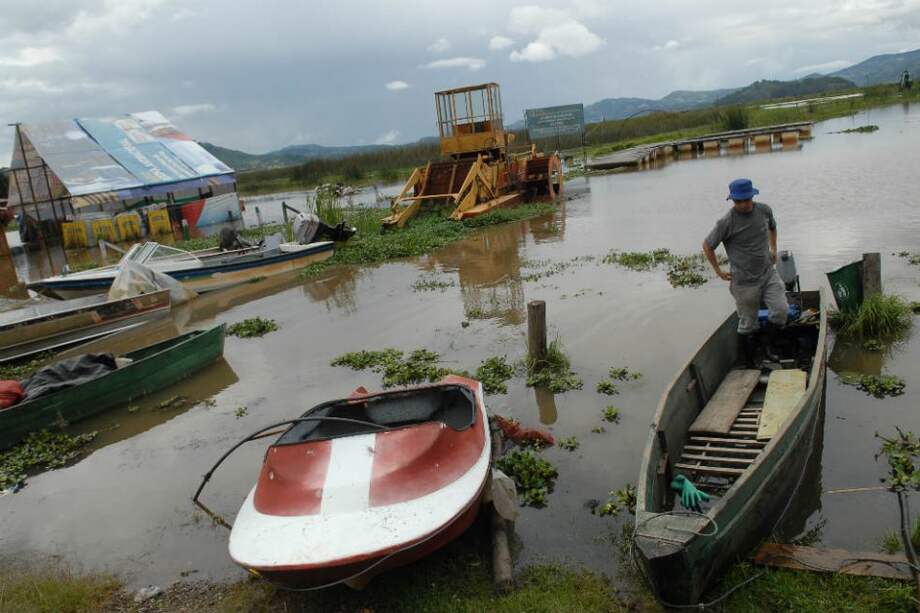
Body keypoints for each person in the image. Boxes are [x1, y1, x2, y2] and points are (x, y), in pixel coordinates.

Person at [702, 178, 788, 365]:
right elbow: (708, 245)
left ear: (753, 196)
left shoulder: (764, 210)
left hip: (768, 274)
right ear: (733, 201)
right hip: (744, 282)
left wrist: (773, 248)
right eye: (738, 201)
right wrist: (718, 270)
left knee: (781, 311)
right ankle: (748, 362)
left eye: (746, 199)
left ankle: (767, 347)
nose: (743, 204)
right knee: (748, 324)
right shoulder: (726, 222)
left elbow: (773, 227)